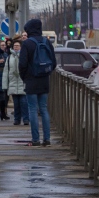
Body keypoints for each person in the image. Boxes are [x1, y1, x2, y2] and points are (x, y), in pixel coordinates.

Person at [19, 18, 57, 146]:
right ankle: (47, 139)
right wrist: (46, 73)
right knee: (44, 109)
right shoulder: (46, 42)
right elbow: (54, 63)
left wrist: (24, 77)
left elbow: (22, 64)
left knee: (32, 110)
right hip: (44, 80)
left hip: (31, 80)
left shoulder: (27, 44)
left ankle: (35, 139)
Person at [4, 36, 27, 127]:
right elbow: (6, 71)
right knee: (16, 104)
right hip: (13, 83)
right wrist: (5, 85)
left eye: (18, 45)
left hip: (22, 83)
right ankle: (17, 120)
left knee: (24, 103)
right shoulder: (9, 58)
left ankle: (26, 119)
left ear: (21, 47)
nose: (16, 47)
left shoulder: (24, 56)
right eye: (15, 45)